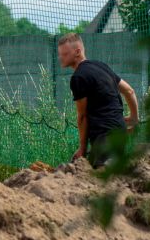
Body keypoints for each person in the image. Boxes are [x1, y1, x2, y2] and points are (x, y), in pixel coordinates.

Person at [58, 33, 138, 167]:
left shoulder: (78, 77)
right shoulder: (101, 66)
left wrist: (82, 148)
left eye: (64, 54)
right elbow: (129, 91)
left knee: (103, 174)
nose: (60, 57)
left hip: (105, 135)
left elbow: (82, 116)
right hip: (119, 129)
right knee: (95, 172)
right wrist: (134, 118)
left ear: (77, 52)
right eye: (60, 54)